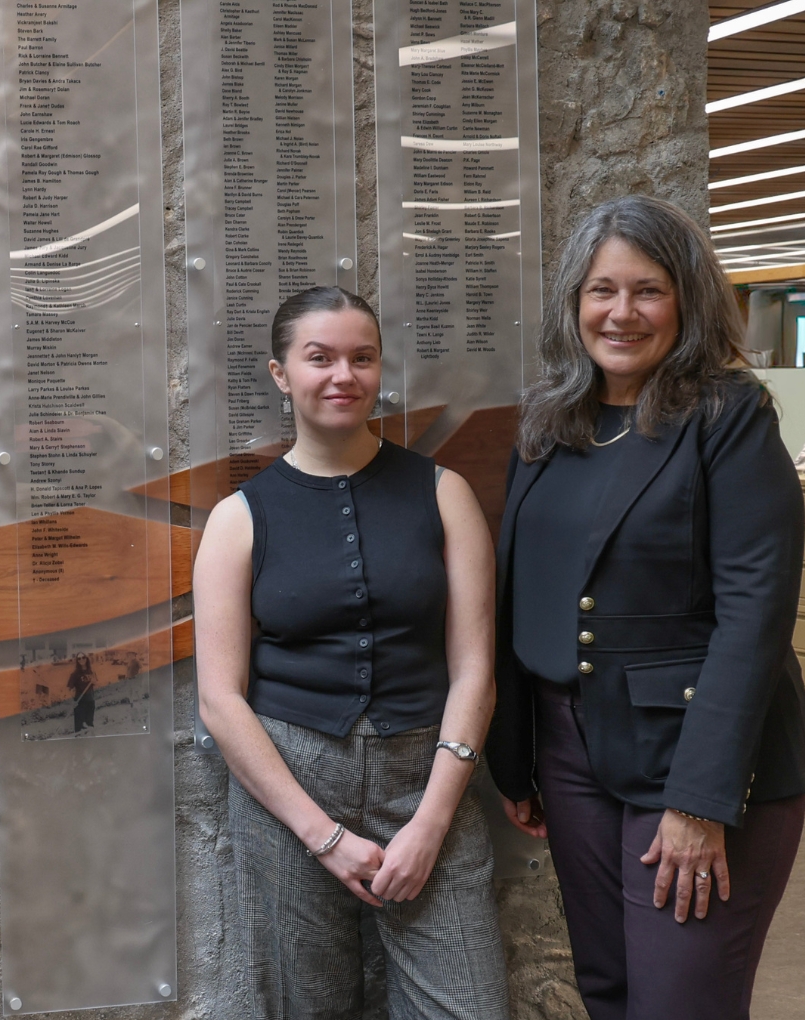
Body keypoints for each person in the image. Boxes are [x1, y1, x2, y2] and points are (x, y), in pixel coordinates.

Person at [487, 195, 805, 1020]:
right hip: (571, 754)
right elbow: (520, 590)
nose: (622, 313)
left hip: (697, 759)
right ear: (575, 303)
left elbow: (755, 616)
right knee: (608, 992)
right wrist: (518, 754)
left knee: (681, 1003)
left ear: (688, 300)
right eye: (602, 290)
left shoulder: (727, 418)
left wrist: (699, 801)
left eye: (649, 290)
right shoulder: (548, 421)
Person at [195, 286, 508, 1019]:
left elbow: (475, 670)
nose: (343, 375)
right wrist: (323, 835)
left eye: (361, 358)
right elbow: (220, 697)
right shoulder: (238, 518)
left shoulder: (443, 493)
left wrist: (431, 823)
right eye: (320, 358)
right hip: (289, 794)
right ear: (281, 374)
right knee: (303, 1007)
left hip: (426, 778)